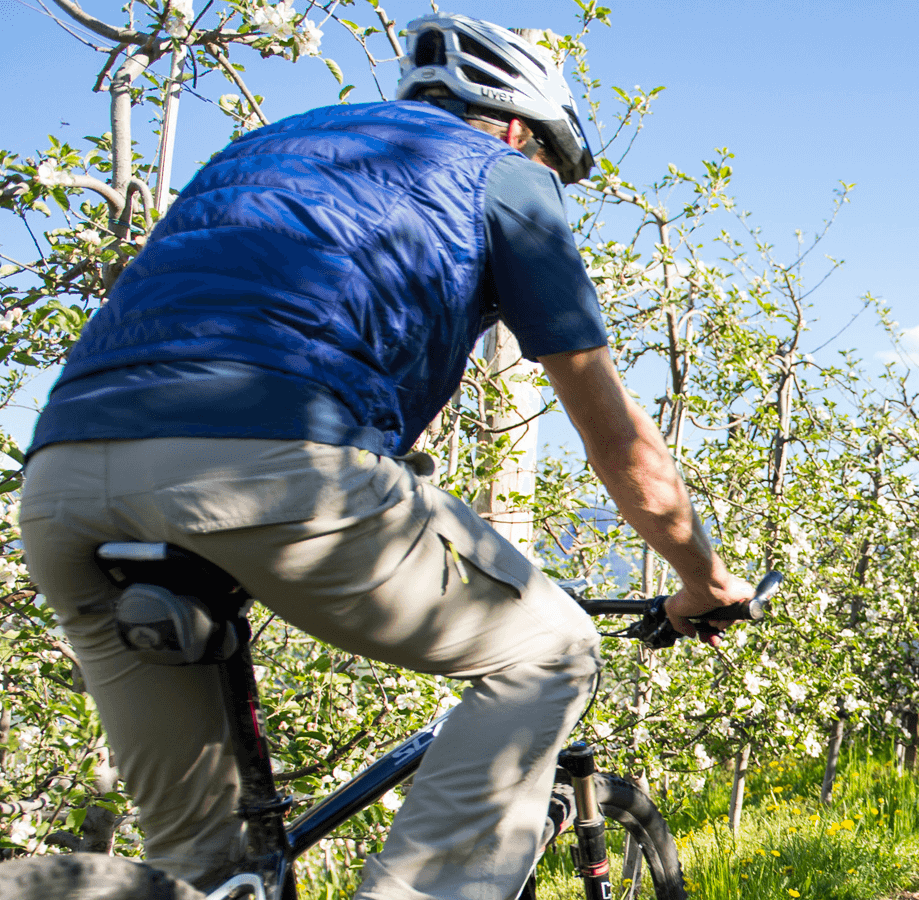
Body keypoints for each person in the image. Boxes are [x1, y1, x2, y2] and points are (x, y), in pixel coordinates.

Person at [16, 14, 753, 900]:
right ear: (522, 129)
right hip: (270, 464)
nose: (550, 184)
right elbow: (617, 440)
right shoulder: (507, 176)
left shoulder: (263, 149)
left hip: (61, 479)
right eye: (555, 168)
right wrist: (703, 579)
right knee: (549, 648)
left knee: (205, 871)